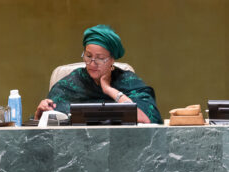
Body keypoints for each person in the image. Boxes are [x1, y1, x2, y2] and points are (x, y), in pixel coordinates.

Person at [34, 24, 162, 124]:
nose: (92, 63)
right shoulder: (71, 83)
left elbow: (146, 119)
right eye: (88, 56)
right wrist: (39, 115)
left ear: (112, 60)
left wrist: (109, 90)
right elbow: (47, 126)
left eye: (100, 58)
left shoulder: (128, 81)